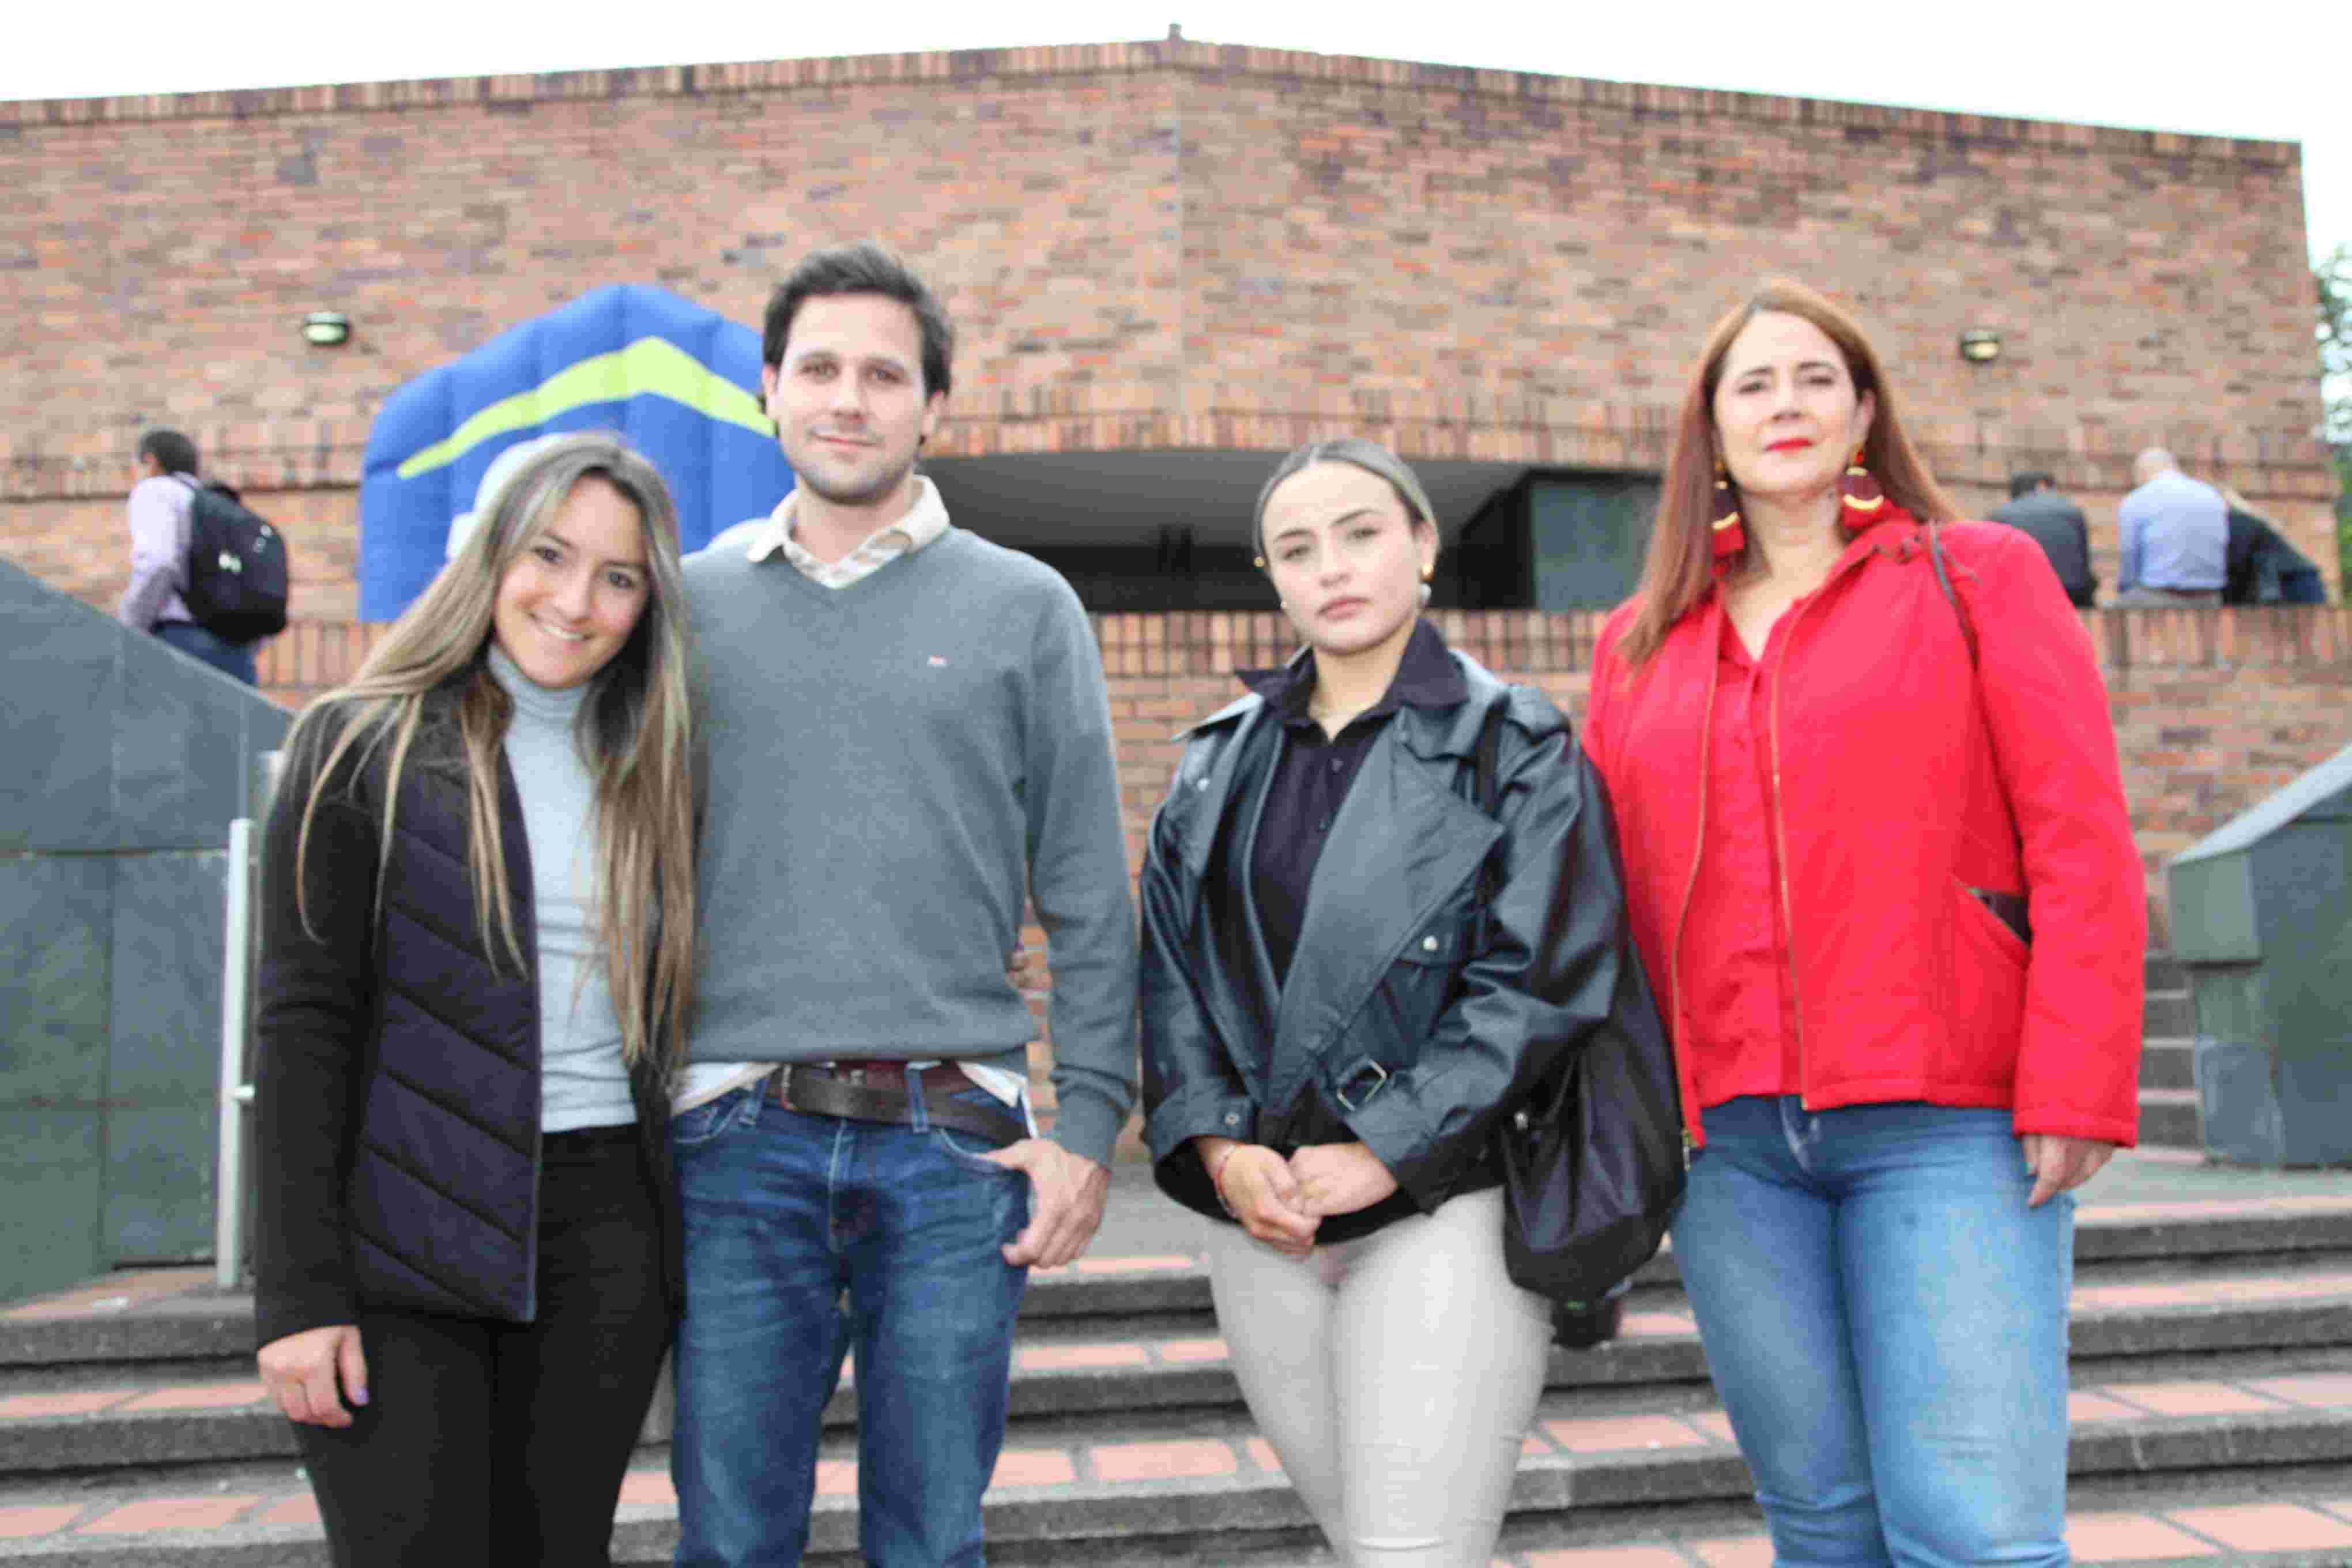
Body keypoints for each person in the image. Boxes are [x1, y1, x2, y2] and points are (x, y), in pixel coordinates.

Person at [1582, 281, 2144, 1567]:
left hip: (1950, 1124)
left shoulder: (1979, 575)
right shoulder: (1639, 645)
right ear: (1708, 435)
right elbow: (1599, 900)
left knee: (1973, 1531)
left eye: (1815, 379)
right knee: (1822, 1523)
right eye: (1753, 385)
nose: (1786, 405)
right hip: (1726, 1147)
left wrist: (2079, 1081)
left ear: (1865, 412)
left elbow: (2082, 841)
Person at [669, 242, 1138, 1568]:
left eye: (885, 373)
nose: (847, 396)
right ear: (768, 388)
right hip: (727, 1140)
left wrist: (1090, 1124)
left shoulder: (1022, 606)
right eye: (817, 366)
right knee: (726, 1538)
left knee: (933, 1541)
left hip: (956, 1140)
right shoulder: (685, 606)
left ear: (933, 403)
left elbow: (1089, 896)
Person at [1139, 438, 1658, 1567]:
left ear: (1423, 544)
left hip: (1448, 1195)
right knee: (1361, 1538)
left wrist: (1386, 1143)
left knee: (1409, 1550)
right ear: (1272, 578)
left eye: (1362, 531)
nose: (1332, 565)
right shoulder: (1215, 764)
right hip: (1261, 1210)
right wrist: (1222, 1151)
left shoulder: (1516, 744)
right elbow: (1175, 982)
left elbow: (1540, 983)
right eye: (1298, 546)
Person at [251, 432, 696, 1566]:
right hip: (398, 1235)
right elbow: (304, 1025)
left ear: (649, 601)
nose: (575, 600)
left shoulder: (659, 765)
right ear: (492, 558)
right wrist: (298, 1295)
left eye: (619, 576)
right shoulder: (357, 745)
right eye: (549, 555)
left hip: (604, 1233)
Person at [116, 428, 259, 685]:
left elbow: (158, 563)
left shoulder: (156, 490)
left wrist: (128, 628)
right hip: (238, 655)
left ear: (150, 461)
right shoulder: (222, 505)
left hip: (180, 642)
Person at [2115, 447, 2227, 604]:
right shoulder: (2211, 495)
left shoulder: (2137, 499)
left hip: (2157, 595)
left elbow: (2129, 556)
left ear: (2141, 473)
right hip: (2211, 596)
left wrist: (2125, 590)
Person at [1988, 470, 2097, 606]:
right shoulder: (2073, 512)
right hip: (2070, 591)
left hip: (2019, 592)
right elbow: (2084, 563)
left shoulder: (1998, 516)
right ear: (2043, 487)